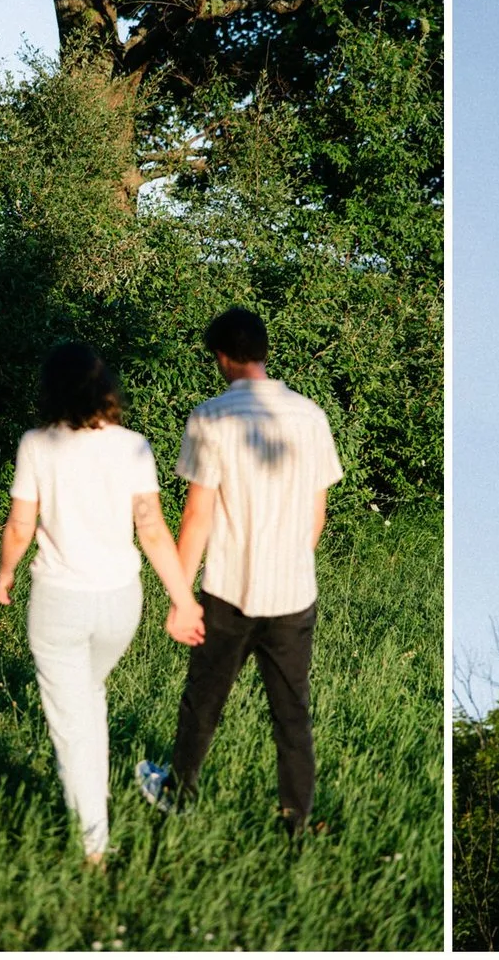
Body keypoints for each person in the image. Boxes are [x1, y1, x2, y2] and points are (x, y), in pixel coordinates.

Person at [0, 342, 205, 867]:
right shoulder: (133, 446)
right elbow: (152, 528)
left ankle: (94, 842)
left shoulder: (37, 444)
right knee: (88, 697)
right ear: (106, 388)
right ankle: (97, 798)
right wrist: (184, 600)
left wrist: (5, 572)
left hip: (60, 601)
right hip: (119, 602)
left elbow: (22, 524)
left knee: (71, 720)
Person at [137, 307, 343, 835]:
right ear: (264, 351)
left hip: (227, 588)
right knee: (292, 713)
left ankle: (178, 795)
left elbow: (197, 516)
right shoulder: (311, 417)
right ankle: (295, 821)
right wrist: (294, 561)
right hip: (293, 592)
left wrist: (180, 598)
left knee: (202, 703)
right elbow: (317, 516)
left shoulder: (211, 417)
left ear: (224, 357)